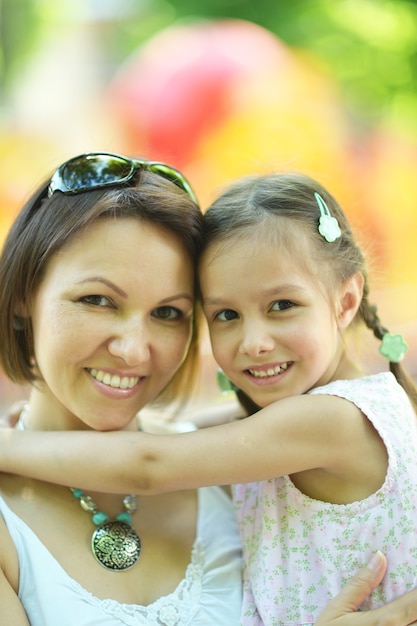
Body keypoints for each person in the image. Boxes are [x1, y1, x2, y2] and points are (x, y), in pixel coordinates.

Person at [1, 169, 417, 626]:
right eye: (226, 314)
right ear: (23, 295)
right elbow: (196, 436)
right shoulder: (283, 433)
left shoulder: (331, 422)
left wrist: (10, 445)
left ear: (345, 301)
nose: (254, 341)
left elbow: (149, 463)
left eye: (167, 312)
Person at [0, 152, 243, 625]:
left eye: (168, 313)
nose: (134, 351)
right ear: (23, 299)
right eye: (97, 300)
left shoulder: (238, 476)